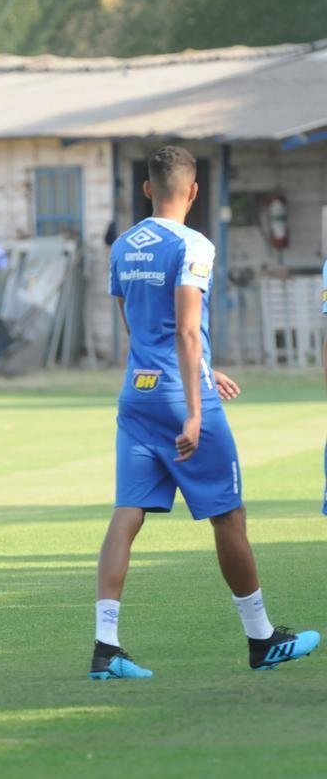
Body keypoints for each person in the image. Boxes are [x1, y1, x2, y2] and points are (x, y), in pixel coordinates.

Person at [92, 145, 320, 679]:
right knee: (229, 514)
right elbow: (188, 328)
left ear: (147, 189)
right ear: (192, 191)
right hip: (178, 397)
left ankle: (106, 648)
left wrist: (203, 367)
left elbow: (138, 326)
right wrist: (196, 407)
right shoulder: (194, 244)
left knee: (127, 514)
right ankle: (262, 640)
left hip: (137, 392)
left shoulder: (124, 246)